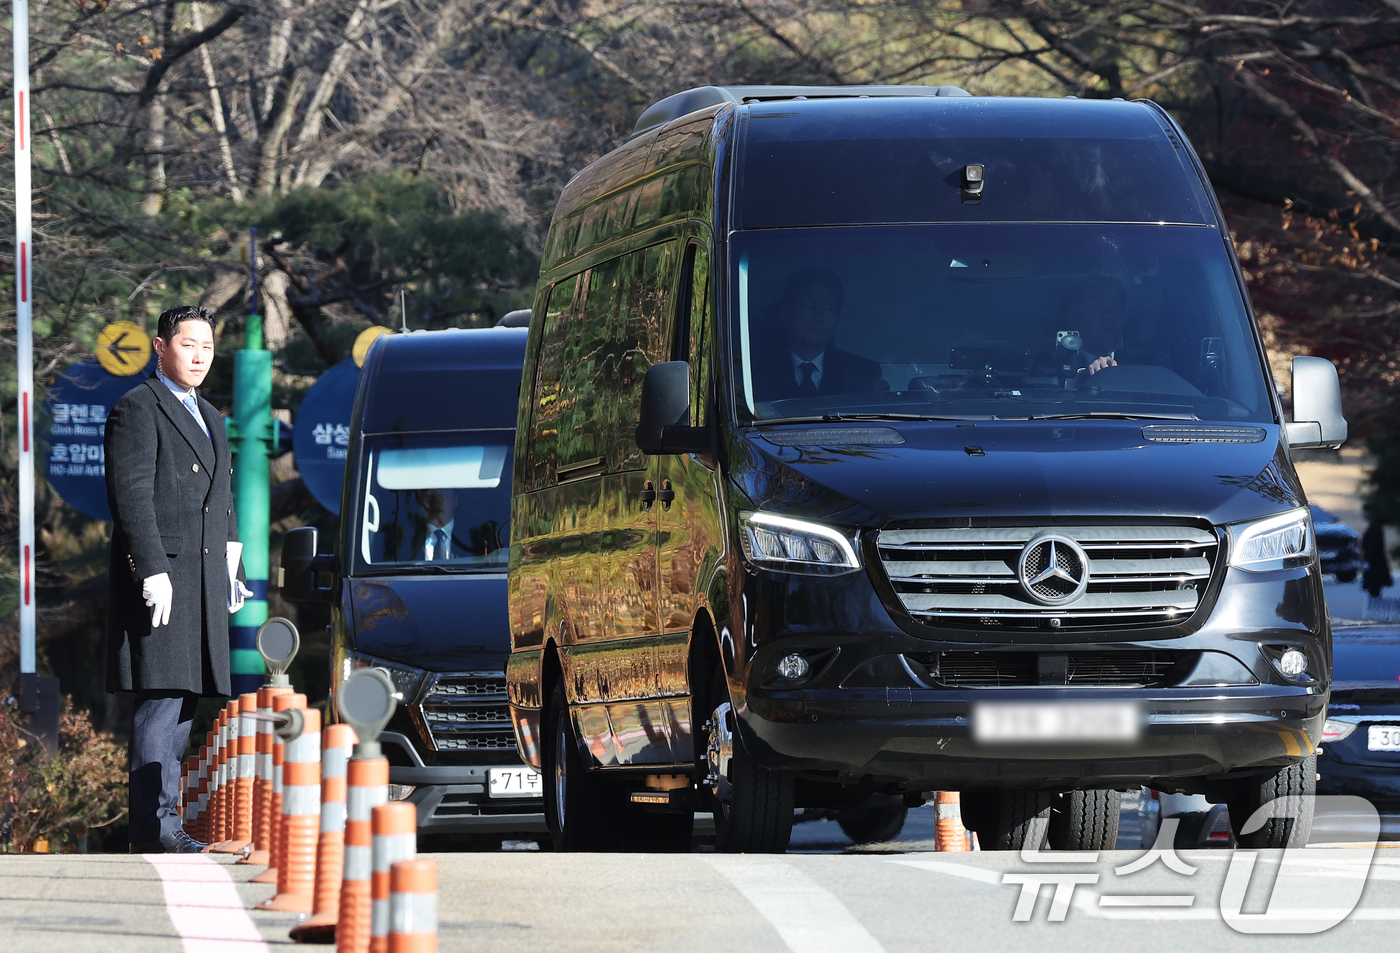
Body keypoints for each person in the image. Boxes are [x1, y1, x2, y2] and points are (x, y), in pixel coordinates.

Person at [105, 305, 251, 853]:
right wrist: (151, 569)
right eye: (188, 345)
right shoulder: (138, 408)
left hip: (203, 574)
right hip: (164, 577)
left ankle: (164, 824)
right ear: (160, 347)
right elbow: (131, 497)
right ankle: (156, 828)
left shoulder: (210, 413)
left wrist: (232, 556)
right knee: (163, 699)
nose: (198, 357)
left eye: (207, 348)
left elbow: (222, 495)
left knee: (186, 701)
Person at [755, 268, 882, 402]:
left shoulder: (862, 373)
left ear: (837, 318)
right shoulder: (754, 371)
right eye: (808, 305)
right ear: (785, 314)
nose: (819, 317)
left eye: (828, 308)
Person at [1054, 278, 1129, 377]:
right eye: (1098, 307)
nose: (1109, 316)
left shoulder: (1142, 364)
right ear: (1073, 315)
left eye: (1116, 309)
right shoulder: (1052, 362)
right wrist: (1084, 376)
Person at [1362, 515, 1392, 599]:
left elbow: (1372, 547)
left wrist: (1367, 560)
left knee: (1374, 585)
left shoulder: (1374, 530)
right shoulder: (1374, 529)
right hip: (1375, 561)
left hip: (1374, 562)